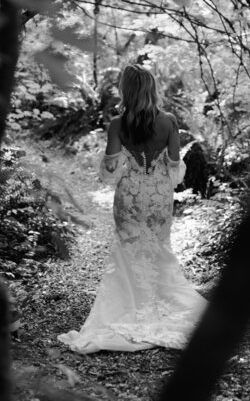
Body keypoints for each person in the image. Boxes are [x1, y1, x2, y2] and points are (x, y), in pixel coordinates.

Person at [58, 64, 206, 353]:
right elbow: (176, 167)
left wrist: (127, 162)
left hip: (128, 196)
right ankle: (160, 305)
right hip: (159, 197)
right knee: (159, 248)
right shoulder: (169, 121)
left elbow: (111, 168)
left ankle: (130, 305)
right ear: (152, 89)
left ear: (126, 91)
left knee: (128, 250)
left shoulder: (117, 124)